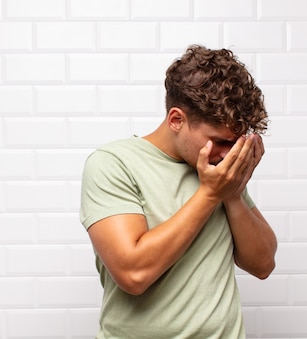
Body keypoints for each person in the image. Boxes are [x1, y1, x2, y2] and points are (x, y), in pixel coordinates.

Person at [79, 45, 278, 338]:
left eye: (236, 141)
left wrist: (232, 194)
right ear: (176, 120)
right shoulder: (114, 164)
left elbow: (263, 265)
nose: (229, 153)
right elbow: (133, 274)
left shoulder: (219, 173)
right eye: (220, 141)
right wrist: (210, 194)